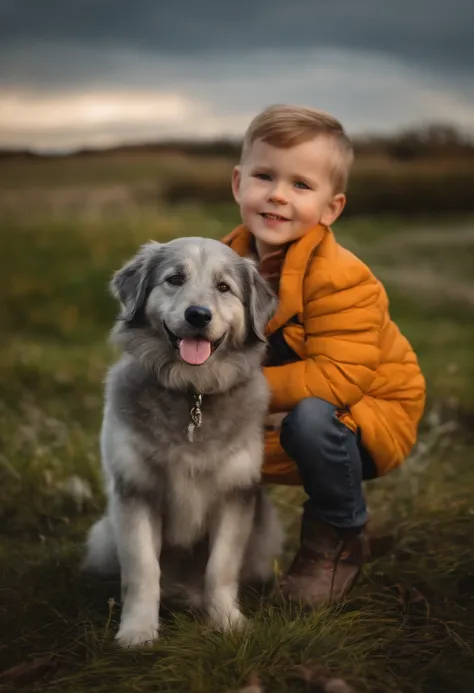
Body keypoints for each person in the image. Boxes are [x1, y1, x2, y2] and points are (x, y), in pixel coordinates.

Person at [222, 104, 426, 606]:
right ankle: (204, 540)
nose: (276, 194)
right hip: (280, 402)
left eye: (300, 185)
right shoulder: (220, 262)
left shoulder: (342, 278)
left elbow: (338, 378)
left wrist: (237, 392)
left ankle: (336, 540)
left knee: (310, 419)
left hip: (372, 411)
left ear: (331, 208)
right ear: (237, 183)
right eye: (264, 176)